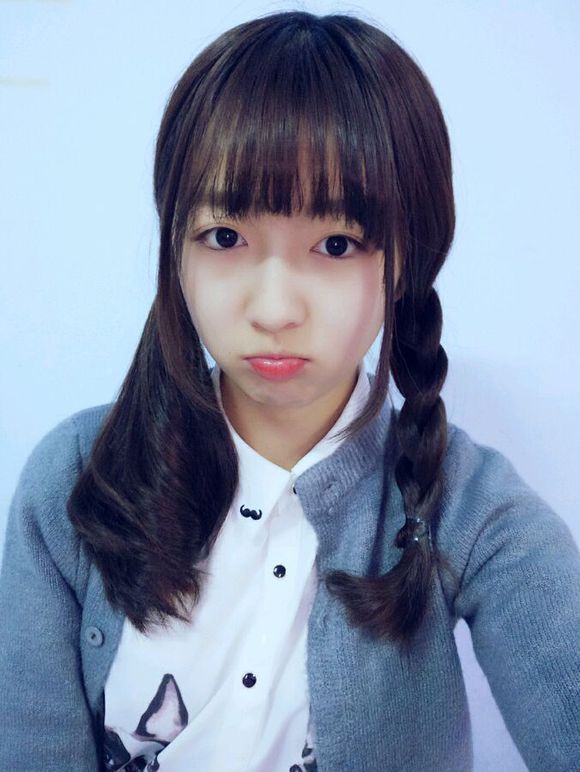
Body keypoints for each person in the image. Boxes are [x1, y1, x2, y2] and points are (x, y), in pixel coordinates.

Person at [0, 10, 578, 772]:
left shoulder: (469, 511)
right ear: (176, 244)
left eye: (336, 244)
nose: (274, 310)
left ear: (407, 259)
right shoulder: (76, 478)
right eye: (226, 237)